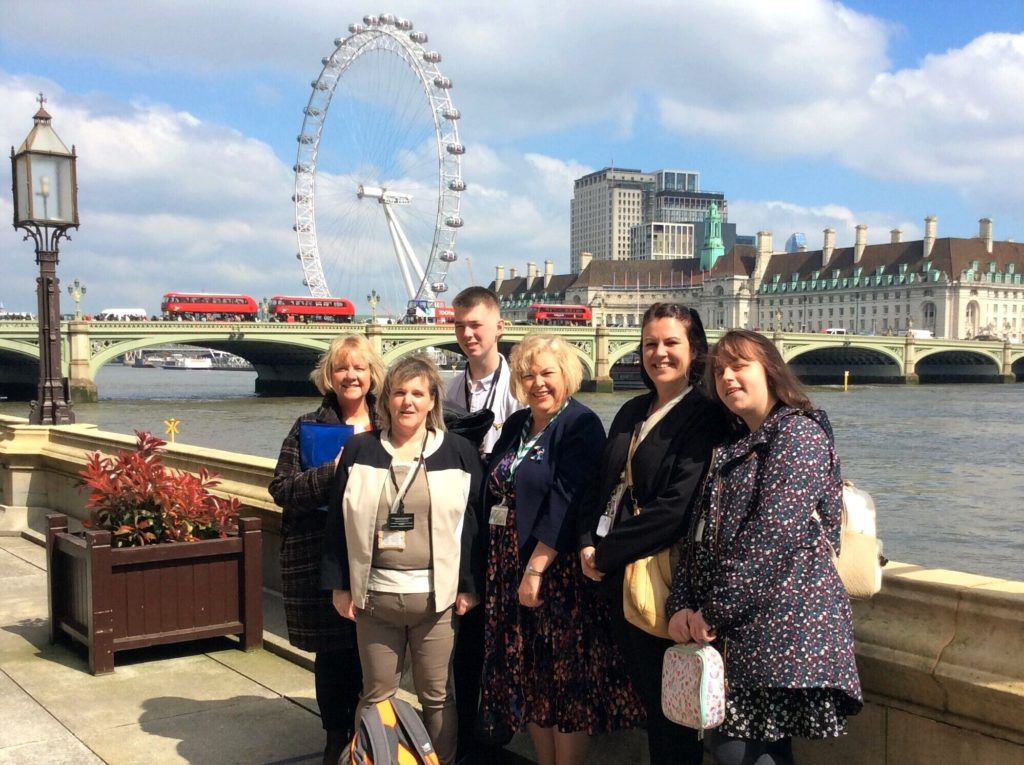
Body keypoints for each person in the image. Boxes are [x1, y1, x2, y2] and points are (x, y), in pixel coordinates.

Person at [666, 329, 863, 765]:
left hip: (781, 629)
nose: (728, 378)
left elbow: (770, 536)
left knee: (738, 750)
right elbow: (698, 535)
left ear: (770, 370)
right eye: (719, 371)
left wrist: (711, 613)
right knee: (742, 749)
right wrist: (679, 604)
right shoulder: (732, 445)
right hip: (742, 630)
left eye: (740, 366)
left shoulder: (798, 435)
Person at [479, 334, 643, 765]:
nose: (538, 383)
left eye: (547, 373)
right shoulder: (516, 425)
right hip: (507, 571)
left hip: (554, 579)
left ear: (566, 375)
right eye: (528, 375)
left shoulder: (580, 424)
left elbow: (567, 503)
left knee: (563, 683)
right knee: (529, 680)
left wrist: (535, 569)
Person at [578, 303, 729, 765]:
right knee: (648, 704)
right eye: (650, 344)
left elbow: (676, 509)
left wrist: (604, 554)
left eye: (670, 343)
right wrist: (586, 538)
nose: (658, 353)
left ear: (695, 350)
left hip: (665, 584)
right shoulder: (630, 410)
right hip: (618, 584)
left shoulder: (706, 416)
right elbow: (598, 485)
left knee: (674, 716)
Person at [322, 354, 483, 765]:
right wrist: (340, 583)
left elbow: (474, 525)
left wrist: (469, 585)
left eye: (417, 393)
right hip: (375, 597)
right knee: (376, 696)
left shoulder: (459, 452)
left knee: (438, 695)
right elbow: (338, 522)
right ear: (386, 400)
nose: (407, 402)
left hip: (438, 599)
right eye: (399, 392)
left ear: (433, 401)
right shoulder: (361, 449)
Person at [268, 334, 385, 765]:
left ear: (373, 374)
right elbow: (280, 488)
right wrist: (330, 472)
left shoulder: (390, 424)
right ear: (329, 377)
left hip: (381, 555)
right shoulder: (307, 426)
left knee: (374, 650)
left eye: (359, 367)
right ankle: (336, 734)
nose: (351, 375)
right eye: (342, 368)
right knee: (334, 653)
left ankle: (372, 732)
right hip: (322, 555)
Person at [444, 286, 523, 763]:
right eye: (460, 326)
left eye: (476, 324)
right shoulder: (448, 387)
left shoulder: (521, 384)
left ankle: (501, 728)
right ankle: (469, 735)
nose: (468, 334)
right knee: (467, 634)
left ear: (499, 327)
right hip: (464, 526)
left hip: (509, 527)